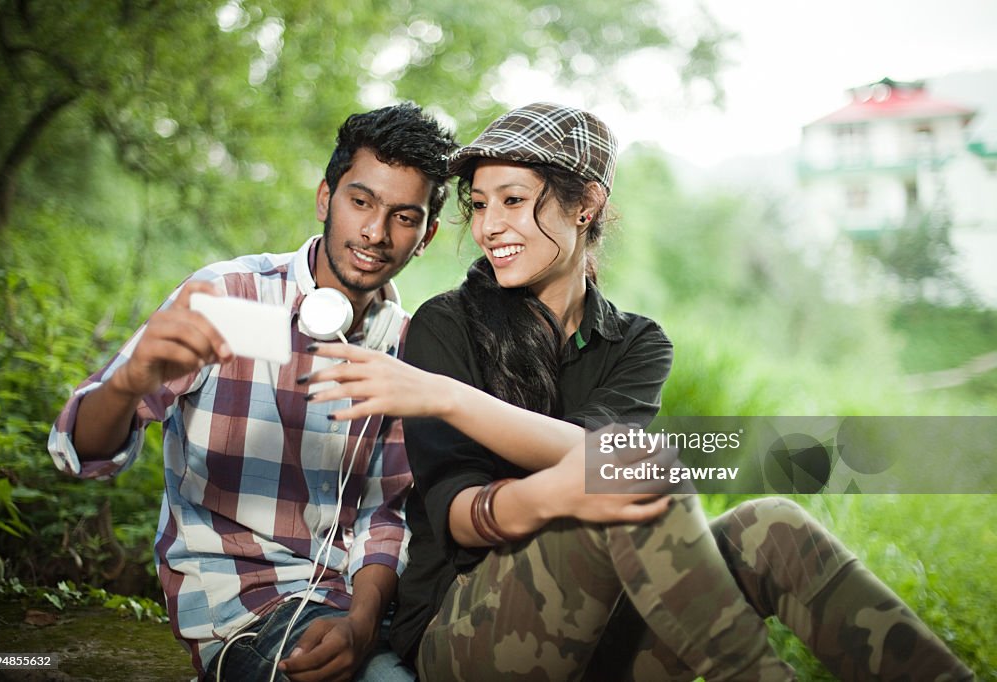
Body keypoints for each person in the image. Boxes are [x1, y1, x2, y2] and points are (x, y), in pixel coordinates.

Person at [302, 102, 974, 680]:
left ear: (586, 204)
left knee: (775, 528)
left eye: (512, 200)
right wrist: (563, 486)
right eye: (479, 205)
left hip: (608, 632)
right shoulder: (447, 326)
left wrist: (451, 400)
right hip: (468, 638)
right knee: (629, 463)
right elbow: (456, 515)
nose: (488, 228)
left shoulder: (637, 342)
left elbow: (604, 459)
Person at [48, 103, 457, 681]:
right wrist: (129, 382)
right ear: (325, 199)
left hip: (362, 607)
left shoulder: (407, 347)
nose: (374, 232)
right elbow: (77, 452)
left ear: (426, 235)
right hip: (240, 607)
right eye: (360, 202)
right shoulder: (228, 295)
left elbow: (382, 515)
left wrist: (362, 622)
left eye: (403, 216)